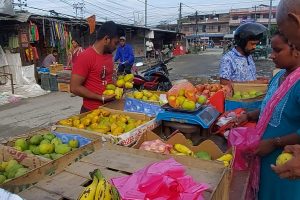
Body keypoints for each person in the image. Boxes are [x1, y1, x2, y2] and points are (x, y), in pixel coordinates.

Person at [235, 32, 300, 200]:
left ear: (296, 50)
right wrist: (249, 115)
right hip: (264, 158)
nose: (271, 55)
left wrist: (274, 143)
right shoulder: (278, 76)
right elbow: (268, 107)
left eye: (277, 50)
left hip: (288, 165)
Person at [270, 0, 300, 180]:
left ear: (295, 21)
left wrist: (276, 142)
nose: (294, 45)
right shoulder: (278, 77)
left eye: (289, 38)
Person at [70, 21, 119, 113]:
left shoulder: (109, 56)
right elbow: (74, 87)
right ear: (106, 39)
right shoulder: (85, 56)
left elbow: (105, 79)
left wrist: (119, 84)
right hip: (91, 112)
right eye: (115, 43)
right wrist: (101, 97)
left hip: (111, 109)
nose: (116, 47)